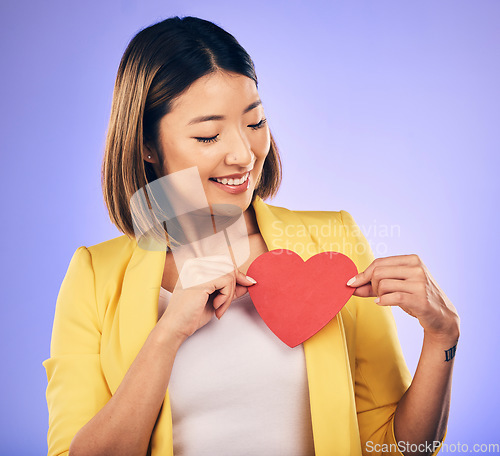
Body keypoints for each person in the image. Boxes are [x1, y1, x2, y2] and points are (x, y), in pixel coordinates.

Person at [43, 16, 460, 456]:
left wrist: (442, 341)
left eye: (255, 122)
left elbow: (397, 448)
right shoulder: (94, 276)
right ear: (147, 145)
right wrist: (168, 334)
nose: (243, 154)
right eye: (208, 135)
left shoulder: (333, 241)